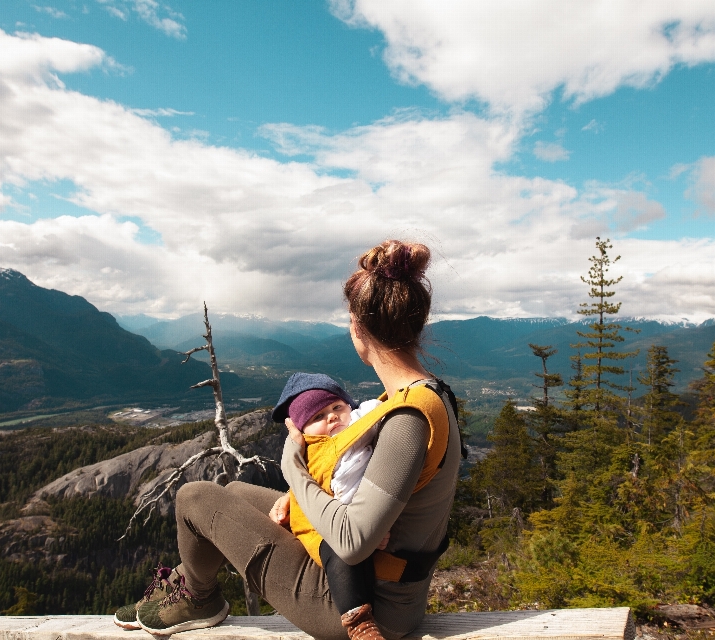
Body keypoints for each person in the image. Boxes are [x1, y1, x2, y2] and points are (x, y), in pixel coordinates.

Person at [123, 239, 462, 640]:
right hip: (381, 582)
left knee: (195, 498)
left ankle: (198, 597)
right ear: (418, 323)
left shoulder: (408, 418)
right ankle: (185, 584)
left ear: (357, 327)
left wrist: (294, 469)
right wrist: (300, 490)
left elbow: (352, 542)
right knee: (234, 492)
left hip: (367, 605)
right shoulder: (424, 395)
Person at [269, 373, 386, 638]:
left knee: (357, 552)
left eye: (337, 407)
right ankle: (359, 624)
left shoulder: (359, 428)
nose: (332, 417)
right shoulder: (314, 452)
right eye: (317, 417)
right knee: (341, 555)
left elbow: (376, 410)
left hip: (363, 515)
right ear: (303, 431)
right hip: (321, 525)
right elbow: (313, 483)